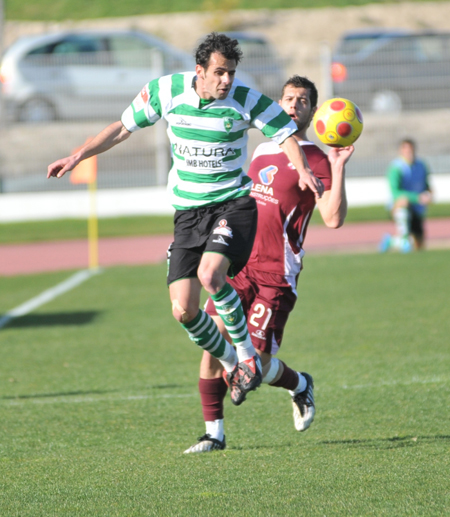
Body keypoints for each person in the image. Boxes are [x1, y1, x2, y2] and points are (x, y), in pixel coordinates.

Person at [47, 33, 324, 404]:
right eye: (220, 73)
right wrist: (78, 155)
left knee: (212, 275)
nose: (227, 80)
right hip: (188, 215)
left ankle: (246, 358)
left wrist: (302, 168)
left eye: (231, 73)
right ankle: (232, 363)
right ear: (200, 71)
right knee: (183, 310)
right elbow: (122, 128)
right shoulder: (166, 91)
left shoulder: (246, 98)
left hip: (232, 206)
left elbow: (285, 131)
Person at [184, 75, 354, 453]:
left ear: (313, 111)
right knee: (213, 347)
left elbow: (333, 217)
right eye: (289, 98)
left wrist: (338, 166)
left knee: (256, 366)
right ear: (279, 103)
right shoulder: (262, 150)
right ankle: (214, 434)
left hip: (276, 273)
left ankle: (299, 384)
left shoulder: (315, 158)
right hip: (240, 265)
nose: (294, 104)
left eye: (303, 100)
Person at [379, 138, 432, 253]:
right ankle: (404, 239)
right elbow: (395, 192)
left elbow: (426, 185)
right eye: (406, 150)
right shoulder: (396, 167)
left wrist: (429, 194)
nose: (409, 153)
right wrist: (416, 197)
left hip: (417, 208)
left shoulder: (421, 165)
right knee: (403, 201)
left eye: (411, 150)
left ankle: (391, 241)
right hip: (400, 206)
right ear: (401, 151)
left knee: (419, 244)